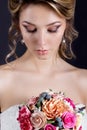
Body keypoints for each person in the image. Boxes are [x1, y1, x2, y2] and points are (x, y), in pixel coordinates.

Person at [0, 0, 87, 130]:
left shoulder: (84, 82)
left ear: (66, 24)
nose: (41, 42)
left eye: (52, 29)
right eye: (30, 29)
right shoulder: (2, 80)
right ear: (18, 24)